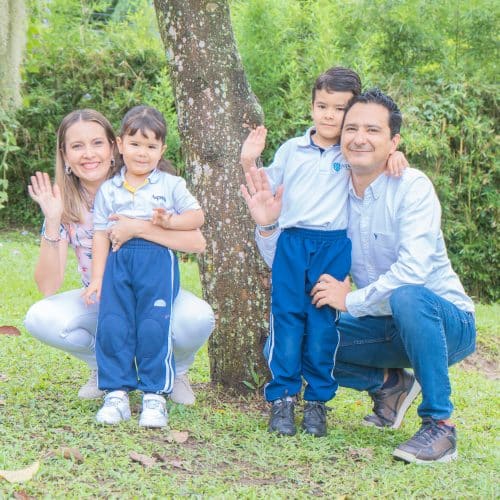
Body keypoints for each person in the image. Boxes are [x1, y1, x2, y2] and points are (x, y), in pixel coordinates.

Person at [250, 89, 476, 463]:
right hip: (381, 323)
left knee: (407, 296)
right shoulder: (333, 195)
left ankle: (440, 425)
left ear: (394, 142)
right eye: (351, 128)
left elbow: (414, 272)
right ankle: (390, 385)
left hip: (445, 324)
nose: (359, 138)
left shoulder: (411, 187)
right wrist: (268, 226)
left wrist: (349, 299)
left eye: (373, 130)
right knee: (293, 339)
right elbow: (288, 260)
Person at [240, 67, 407, 438]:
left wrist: (396, 157)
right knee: (286, 321)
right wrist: (249, 161)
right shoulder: (292, 150)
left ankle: (317, 402)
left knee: (321, 327)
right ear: (312, 106)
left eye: (340, 108)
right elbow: (264, 186)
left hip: (332, 247)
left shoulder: (351, 153)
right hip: (292, 243)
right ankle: (283, 399)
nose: (329, 115)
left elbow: (379, 162)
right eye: (322, 106)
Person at [25, 109, 214, 411]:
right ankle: (106, 367)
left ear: (114, 146)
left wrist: (138, 228)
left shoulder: (147, 184)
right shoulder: (64, 203)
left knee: (197, 317)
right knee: (40, 317)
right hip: (105, 296)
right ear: (65, 155)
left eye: (97, 143)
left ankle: (175, 370)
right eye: (77, 146)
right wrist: (52, 219)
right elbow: (48, 286)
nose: (89, 154)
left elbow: (197, 242)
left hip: (153, 291)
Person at [82, 105, 204, 427]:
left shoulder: (171, 185)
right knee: (113, 324)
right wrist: (97, 278)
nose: (142, 152)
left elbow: (197, 217)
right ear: (120, 145)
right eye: (135, 144)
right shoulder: (109, 189)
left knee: (153, 324)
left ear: (162, 150)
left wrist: (170, 221)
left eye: (151, 146)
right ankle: (116, 394)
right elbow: (100, 234)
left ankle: (154, 396)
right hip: (118, 262)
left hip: (157, 263)